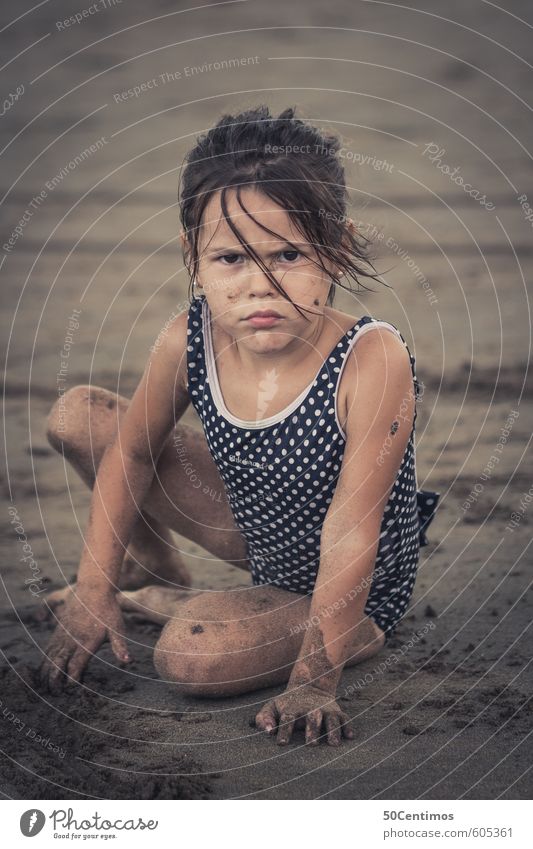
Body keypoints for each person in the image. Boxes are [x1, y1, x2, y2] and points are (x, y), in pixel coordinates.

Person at [39, 105, 440, 747]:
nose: (260, 286)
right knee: (82, 416)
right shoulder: (189, 335)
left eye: (288, 253)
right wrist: (95, 588)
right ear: (192, 258)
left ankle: (352, 636)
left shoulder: (370, 359)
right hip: (254, 529)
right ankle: (150, 572)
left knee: (191, 657)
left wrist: (314, 678)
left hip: (346, 580)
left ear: (335, 249)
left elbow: (349, 527)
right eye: (230, 258)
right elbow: (135, 454)